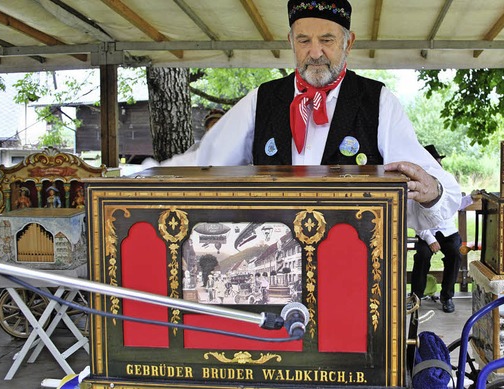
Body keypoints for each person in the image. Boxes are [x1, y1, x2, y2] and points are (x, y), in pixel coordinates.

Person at [185, 0, 461, 233]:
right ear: (291, 42)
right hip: (276, 262)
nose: (315, 53)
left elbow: (440, 191)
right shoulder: (261, 99)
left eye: (327, 40)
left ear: (348, 42)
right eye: (304, 40)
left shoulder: (377, 101)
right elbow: (207, 163)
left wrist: (432, 191)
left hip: (352, 264)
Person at [411, 145, 462, 313]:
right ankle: (415, 297)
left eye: (438, 161)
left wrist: (472, 197)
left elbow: (455, 203)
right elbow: (414, 215)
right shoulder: (418, 181)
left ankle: (447, 296)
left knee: (455, 253)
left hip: (447, 231)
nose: (438, 163)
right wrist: (430, 239)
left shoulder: (445, 179)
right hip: (427, 232)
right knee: (423, 255)